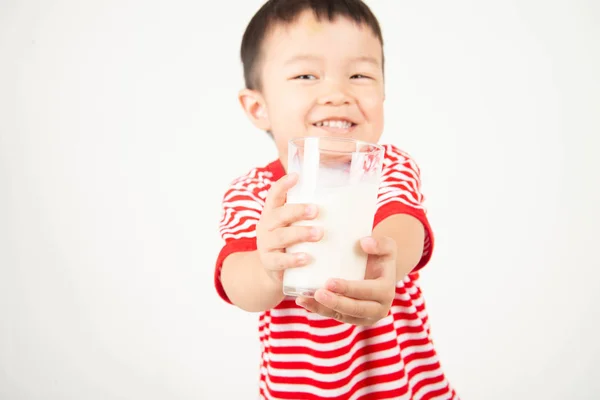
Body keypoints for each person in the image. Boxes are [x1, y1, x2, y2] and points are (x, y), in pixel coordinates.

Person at [213, 1, 458, 398]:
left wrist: (386, 261)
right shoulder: (254, 193)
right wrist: (269, 268)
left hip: (407, 390)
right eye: (306, 75)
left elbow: (403, 226)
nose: (337, 93)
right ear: (259, 107)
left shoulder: (388, 167)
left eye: (360, 74)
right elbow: (238, 282)